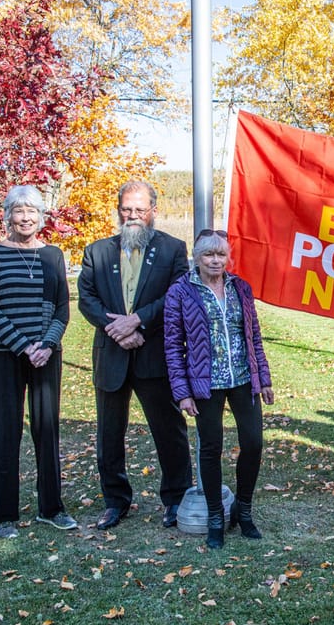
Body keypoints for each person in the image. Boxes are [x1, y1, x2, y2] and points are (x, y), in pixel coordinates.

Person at [78, 181, 192, 531]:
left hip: (153, 354)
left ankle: (175, 499)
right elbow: (87, 298)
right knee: (109, 434)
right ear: (118, 209)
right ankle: (115, 501)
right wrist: (117, 329)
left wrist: (138, 321)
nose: (132, 216)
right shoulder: (97, 251)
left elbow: (177, 296)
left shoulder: (173, 249)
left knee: (168, 431)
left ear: (153, 211)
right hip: (111, 354)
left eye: (140, 210)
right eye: (127, 209)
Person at [164, 230, 275, 550]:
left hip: (243, 378)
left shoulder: (240, 288)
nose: (215, 260)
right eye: (209, 255)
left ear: (229, 258)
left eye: (221, 255)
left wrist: (263, 379)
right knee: (210, 448)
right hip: (205, 383)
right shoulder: (181, 292)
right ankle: (215, 516)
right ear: (197, 258)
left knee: (253, 443)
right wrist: (182, 391)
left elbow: (254, 336)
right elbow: (173, 345)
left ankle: (243, 509)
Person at [0, 185, 77, 538]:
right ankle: (4, 514)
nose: (25, 217)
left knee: (47, 428)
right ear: (7, 215)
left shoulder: (53, 255)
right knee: (6, 430)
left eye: (32, 211)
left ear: (41, 216)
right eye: (18, 211)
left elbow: (62, 307)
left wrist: (47, 345)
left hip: (46, 354)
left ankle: (51, 508)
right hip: (3, 353)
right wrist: (24, 346)